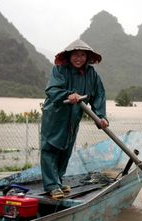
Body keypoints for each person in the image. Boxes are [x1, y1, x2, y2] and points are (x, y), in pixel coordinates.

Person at [40, 39, 108, 199]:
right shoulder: (60, 70)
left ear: (87, 57)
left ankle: (58, 180)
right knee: (50, 148)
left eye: (82, 55)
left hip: (73, 117)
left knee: (66, 148)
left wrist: (101, 117)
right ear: (69, 56)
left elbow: (99, 95)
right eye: (75, 55)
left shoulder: (92, 74)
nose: (79, 58)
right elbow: (52, 89)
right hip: (56, 116)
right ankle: (51, 185)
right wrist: (67, 95)